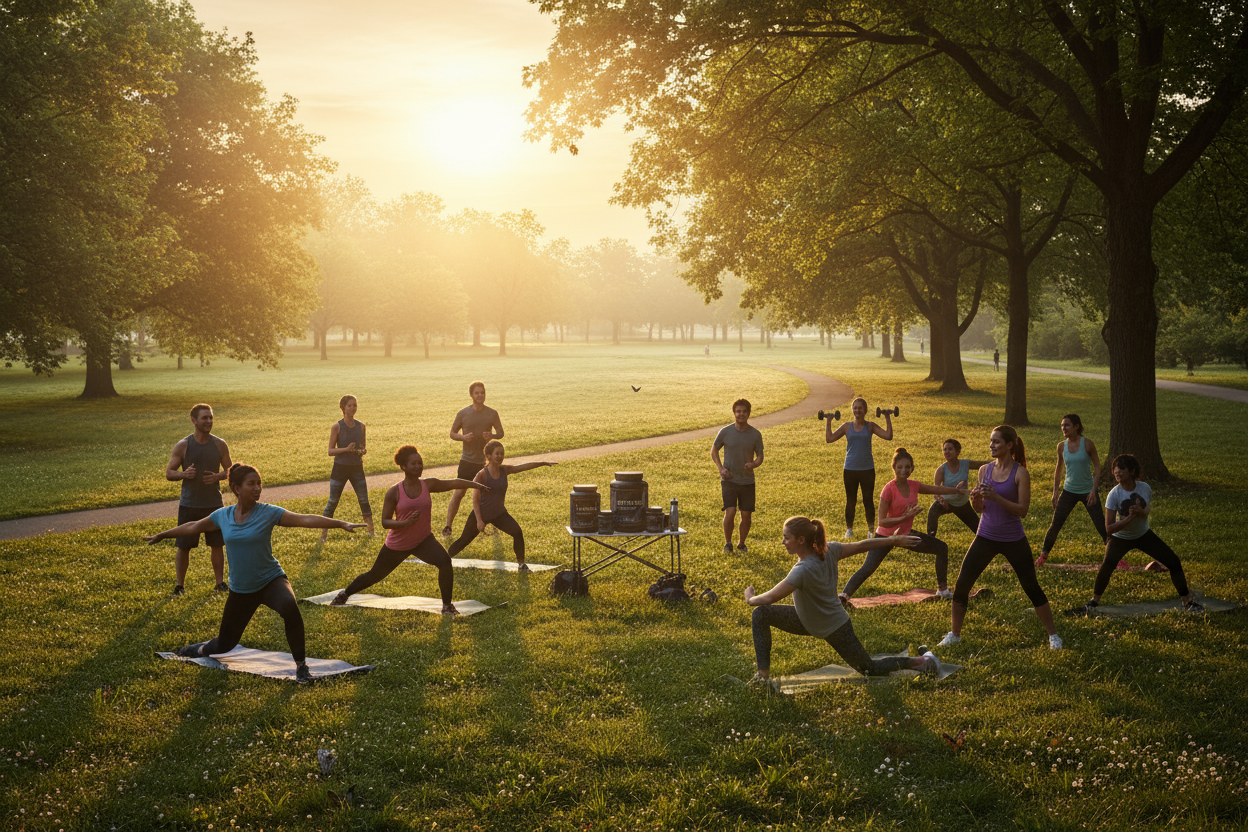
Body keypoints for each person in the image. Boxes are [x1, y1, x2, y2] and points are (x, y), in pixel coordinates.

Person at [144, 463, 366, 683]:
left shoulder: (268, 512)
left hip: (271, 580)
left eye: (259, 483)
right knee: (225, 644)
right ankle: (200, 649)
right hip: (241, 589)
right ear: (236, 488)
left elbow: (303, 519)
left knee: (289, 607)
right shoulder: (223, 516)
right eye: (251, 484)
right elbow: (193, 526)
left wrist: (340, 523)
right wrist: (163, 535)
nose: (257, 488)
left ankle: (301, 666)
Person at [744, 516, 939, 687]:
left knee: (869, 669)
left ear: (801, 540)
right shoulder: (830, 549)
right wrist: (893, 540)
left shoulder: (802, 570)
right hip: (808, 620)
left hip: (834, 625)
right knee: (761, 615)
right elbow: (861, 545)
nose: (783, 542)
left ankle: (922, 662)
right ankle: (763, 676)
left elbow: (770, 597)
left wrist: (750, 598)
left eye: (787, 538)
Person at [938, 425, 1062, 650]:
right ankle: (954, 634)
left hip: (1013, 539)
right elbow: (980, 509)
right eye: (991, 441)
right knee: (962, 584)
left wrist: (997, 497)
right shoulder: (984, 470)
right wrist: (977, 501)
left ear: (1009, 445)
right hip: (985, 536)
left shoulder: (1020, 473)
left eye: (996, 441)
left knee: (1031, 586)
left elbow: (1023, 510)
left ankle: (1053, 635)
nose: (991, 445)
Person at [334, 445, 489, 615]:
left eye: (420, 463)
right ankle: (344, 595)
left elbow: (453, 482)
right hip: (399, 543)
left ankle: (447, 606)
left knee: (445, 562)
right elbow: (385, 522)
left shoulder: (428, 484)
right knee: (375, 575)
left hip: (423, 540)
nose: (418, 466)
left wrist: (477, 485)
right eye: (413, 464)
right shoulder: (394, 492)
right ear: (403, 467)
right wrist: (405, 523)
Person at [1071, 454, 1203, 615]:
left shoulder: (1144, 488)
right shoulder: (1114, 494)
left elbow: (1147, 509)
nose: (1117, 472)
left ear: (1132, 472)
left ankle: (1187, 602)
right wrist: (1130, 517)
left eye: (1122, 469)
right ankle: (1093, 603)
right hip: (1120, 538)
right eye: (1115, 469)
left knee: (1174, 561)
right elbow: (1109, 528)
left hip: (1143, 535)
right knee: (1107, 567)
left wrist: (1141, 512)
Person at [840, 448, 969, 603]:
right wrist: (905, 517)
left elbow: (934, 488)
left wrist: (956, 491)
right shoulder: (888, 489)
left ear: (912, 468)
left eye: (907, 467)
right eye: (900, 467)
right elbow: (882, 521)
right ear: (894, 468)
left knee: (941, 548)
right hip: (885, 536)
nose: (904, 470)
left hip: (905, 534)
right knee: (868, 568)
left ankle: (942, 590)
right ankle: (843, 596)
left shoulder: (914, 485)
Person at [447, 440, 558, 571]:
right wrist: (479, 520)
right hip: (482, 514)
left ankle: (521, 564)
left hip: (499, 514)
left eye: (502, 453)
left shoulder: (505, 470)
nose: (500, 456)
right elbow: (475, 500)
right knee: (464, 540)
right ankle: (444, 558)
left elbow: (522, 467)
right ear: (488, 456)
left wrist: (542, 463)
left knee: (517, 532)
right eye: (497, 454)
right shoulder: (481, 475)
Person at [164, 403, 232, 595]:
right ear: (194, 420)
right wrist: (183, 474)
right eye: (205, 418)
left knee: (217, 545)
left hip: (214, 504)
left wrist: (218, 476)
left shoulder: (220, 444)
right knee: (184, 546)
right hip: (189, 504)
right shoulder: (183, 445)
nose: (209, 421)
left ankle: (219, 584)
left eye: (211, 417)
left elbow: (231, 470)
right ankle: (180, 586)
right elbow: (169, 473)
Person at [1034, 414, 1107, 567]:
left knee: (1101, 524)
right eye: (1062, 425)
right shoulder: (1061, 446)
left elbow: (1097, 467)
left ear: (1076, 426)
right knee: (1055, 524)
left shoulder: (1088, 444)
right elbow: (1058, 469)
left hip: (1088, 491)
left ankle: (1115, 557)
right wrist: (1055, 492)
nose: (1063, 428)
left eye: (1067, 425)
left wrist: (1094, 490)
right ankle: (1043, 556)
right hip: (1069, 491)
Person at [825, 397, 892, 538]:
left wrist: (887, 417)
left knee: (868, 500)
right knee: (851, 500)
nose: (857, 410)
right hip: (850, 469)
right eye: (855, 408)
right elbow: (829, 439)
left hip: (867, 469)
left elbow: (888, 436)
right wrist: (829, 421)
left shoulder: (870, 426)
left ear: (865, 410)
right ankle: (849, 530)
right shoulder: (846, 426)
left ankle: (871, 531)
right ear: (852, 410)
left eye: (860, 408)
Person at [444, 381, 504, 537]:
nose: (480, 395)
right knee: (459, 493)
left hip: (485, 462)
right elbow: (452, 433)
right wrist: (463, 437)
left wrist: (492, 435)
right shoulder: (463, 413)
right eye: (477, 393)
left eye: (482, 392)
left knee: (489, 495)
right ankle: (448, 526)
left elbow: (500, 433)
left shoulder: (492, 413)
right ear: (471, 395)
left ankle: (493, 522)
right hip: (467, 461)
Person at [712, 398, 765, 553]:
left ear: (749, 413)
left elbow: (760, 456)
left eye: (744, 411)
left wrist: (753, 464)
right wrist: (721, 469)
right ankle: (728, 543)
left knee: (746, 515)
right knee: (730, 511)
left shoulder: (755, 434)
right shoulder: (725, 432)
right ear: (734, 413)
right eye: (738, 411)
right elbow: (714, 450)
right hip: (729, 479)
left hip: (747, 481)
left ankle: (741, 544)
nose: (741, 414)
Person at [321, 394, 373, 542]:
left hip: (357, 468)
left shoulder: (361, 426)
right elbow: (330, 451)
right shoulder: (337, 426)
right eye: (349, 405)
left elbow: (363, 447)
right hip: (340, 469)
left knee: (364, 500)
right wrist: (346, 449)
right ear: (343, 408)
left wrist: (362, 451)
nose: (352, 408)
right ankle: (323, 536)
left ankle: (371, 532)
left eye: (354, 405)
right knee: (332, 502)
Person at [926, 439, 989, 538]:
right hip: (946, 503)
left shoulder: (965, 464)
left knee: (980, 531)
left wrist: (1000, 462)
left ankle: (988, 542)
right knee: (932, 512)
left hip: (962, 504)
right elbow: (935, 491)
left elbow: (983, 465)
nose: (946, 452)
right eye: (944, 449)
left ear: (958, 451)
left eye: (950, 449)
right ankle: (930, 540)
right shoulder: (941, 469)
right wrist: (941, 500)